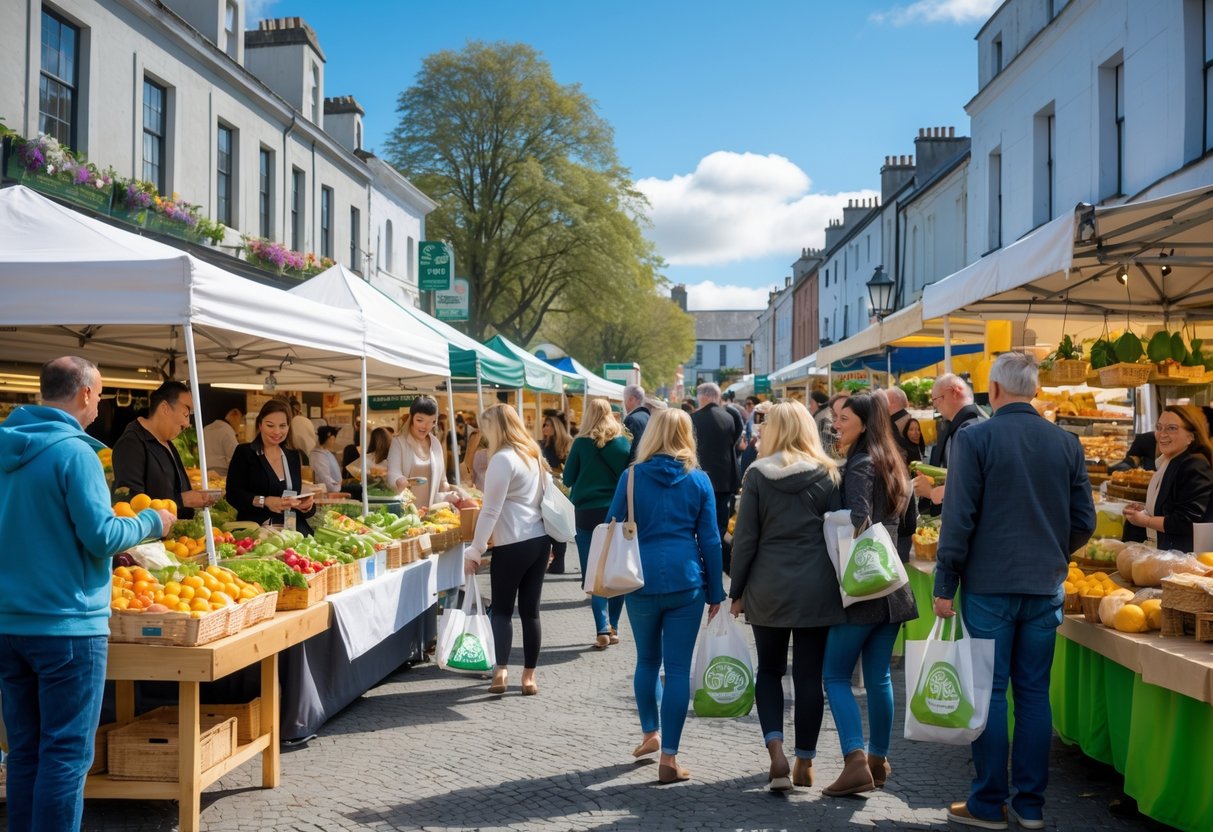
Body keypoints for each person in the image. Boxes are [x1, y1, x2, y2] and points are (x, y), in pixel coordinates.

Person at [0, 357, 174, 832]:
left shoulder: (6, 446)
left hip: (9, 622)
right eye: (99, 394)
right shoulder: (75, 453)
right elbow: (100, 536)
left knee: (26, 752)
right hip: (67, 627)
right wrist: (151, 522)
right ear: (82, 395)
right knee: (65, 755)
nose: (99, 403)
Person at [933, 352, 1096, 830]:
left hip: (989, 585)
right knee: (1033, 694)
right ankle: (1030, 806)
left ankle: (989, 803)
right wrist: (1053, 551)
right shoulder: (1065, 442)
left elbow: (957, 518)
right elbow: (1083, 520)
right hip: (1044, 585)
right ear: (1037, 391)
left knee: (990, 692)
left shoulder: (976, 437)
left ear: (995, 392)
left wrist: (946, 582)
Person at [728, 401, 843, 792]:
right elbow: (837, 535)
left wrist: (736, 591)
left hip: (768, 586)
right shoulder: (829, 474)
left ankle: (775, 750)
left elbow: (745, 541)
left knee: (770, 671)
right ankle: (805, 761)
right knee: (811, 676)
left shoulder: (758, 474)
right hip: (818, 587)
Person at [606, 408, 725, 784]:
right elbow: (710, 539)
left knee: (646, 661)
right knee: (676, 670)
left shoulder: (631, 477)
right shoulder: (699, 480)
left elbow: (611, 525)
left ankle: (650, 733)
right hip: (686, 581)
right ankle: (669, 758)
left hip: (638, 579)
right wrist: (716, 591)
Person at [821, 393, 918, 797]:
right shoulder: (894, 462)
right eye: (835, 418)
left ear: (864, 423)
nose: (836, 424)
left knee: (836, 675)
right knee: (878, 677)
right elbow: (909, 525)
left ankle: (854, 760)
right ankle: (878, 759)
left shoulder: (860, 464)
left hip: (864, 585)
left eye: (844, 418)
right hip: (892, 583)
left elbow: (858, 521)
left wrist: (830, 518)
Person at [463, 404, 552, 696]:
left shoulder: (502, 459)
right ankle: (529, 677)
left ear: (496, 428)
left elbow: (490, 510)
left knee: (502, 610)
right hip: (538, 539)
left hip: (511, 541)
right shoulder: (533, 455)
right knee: (531, 612)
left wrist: (475, 551)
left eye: (485, 427)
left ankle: (500, 671)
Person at [562, 399, 631, 648]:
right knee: (616, 571)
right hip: (617, 512)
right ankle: (614, 626)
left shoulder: (580, 443)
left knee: (593, 572)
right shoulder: (624, 442)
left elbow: (568, 478)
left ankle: (601, 628)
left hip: (587, 513)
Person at [111, 379, 218, 519]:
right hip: (153, 538)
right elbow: (130, 502)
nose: (187, 424)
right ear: (164, 408)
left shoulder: (167, 442)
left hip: (177, 538)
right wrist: (182, 500)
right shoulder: (131, 443)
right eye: (186, 415)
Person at [1122, 405, 1213, 552]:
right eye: (1159, 427)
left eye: (1172, 428)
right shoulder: (1170, 461)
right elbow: (1173, 507)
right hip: (1169, 555)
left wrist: (1146, 520)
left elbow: (1186, 522)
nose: (1162, 434)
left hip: (1184, 563)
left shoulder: (1195, 465)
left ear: (1191, 436)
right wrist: (1145, 510)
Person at [226, 399, 317, 534]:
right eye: (270, 425)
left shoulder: (293, 457)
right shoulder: (245, 453)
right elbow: (233, 495)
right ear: (260, 425)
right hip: (257, 532)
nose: (277, 432)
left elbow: (294, 495)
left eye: (282, 426)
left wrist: (306, 506)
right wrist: (265, 501)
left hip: (292, 531)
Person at [913, 373, 987, 511]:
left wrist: (931, 492)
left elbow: (968, 486)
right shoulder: (973, 422)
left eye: (936, 399)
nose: (935, 405)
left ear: (954, 391)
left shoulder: (969, 429)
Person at [690, 382, 743, 572]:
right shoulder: (730, 417)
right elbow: (736, 440)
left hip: (698, 478)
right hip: (725, 479)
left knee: (698, 520)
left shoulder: (693, 418)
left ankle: (703, 558)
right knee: (720, 522)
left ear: (703, 396)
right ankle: (719, 558)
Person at [387, 396, 458, 509]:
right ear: (411, 418)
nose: (425, 426)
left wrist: (449, 494)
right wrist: (401, 481)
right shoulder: (399, 442)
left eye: (431, 422)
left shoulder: (435, 443)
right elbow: (392, 474)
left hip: (431, 511)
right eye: (420, 420)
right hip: (406, 511)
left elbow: (442, 480)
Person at [541, 414, 574, 573]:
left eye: (548, 425)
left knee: (559, 521)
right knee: (549, 521)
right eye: (544, 425)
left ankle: (558, 561)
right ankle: (553, 561)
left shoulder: (567, 443)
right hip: (549, 486)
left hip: (562, 487)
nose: (545, 428)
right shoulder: (542, 445)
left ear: (555, 427)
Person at [201, 407, 243, 475]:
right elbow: (236, 457)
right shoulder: (227, 431)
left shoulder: (205, 429)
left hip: (204, 473)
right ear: (234, 416)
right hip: (223, 474)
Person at [310, 425, 344, 493]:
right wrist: (337, 489)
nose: (334, 441)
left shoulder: (325, 453)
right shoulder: (318, 456)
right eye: (334, 438)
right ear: (331, 438)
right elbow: (324, 479)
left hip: (336, 487)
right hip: (331, 491)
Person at [623, 384, 651, 464]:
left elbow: (629, 450)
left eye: (625, 400)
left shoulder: (632, 419)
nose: (624, 404)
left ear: (631, 399)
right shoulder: (648, 416)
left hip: (634, 469)